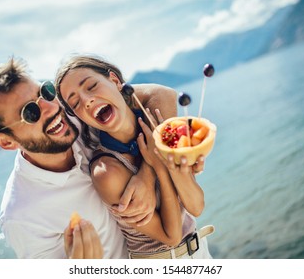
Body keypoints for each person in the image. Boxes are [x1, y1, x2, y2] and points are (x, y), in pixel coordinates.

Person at [0, 57, 178, 258]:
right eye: (30, 113)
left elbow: (161, 95)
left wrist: (147, 173)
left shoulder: (78, 114)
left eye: (45, 92)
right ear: (6, 142)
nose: (52, 108)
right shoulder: (22, 217)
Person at [55, 55, 214, 259]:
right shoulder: (106, 171)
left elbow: (196, 206)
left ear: (114, 81)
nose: (87, 101)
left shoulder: (159, 125)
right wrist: (156, 164)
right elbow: (171, 235)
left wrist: (171, 162)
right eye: (75, 103)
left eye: (92, 86)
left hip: (200, 253)